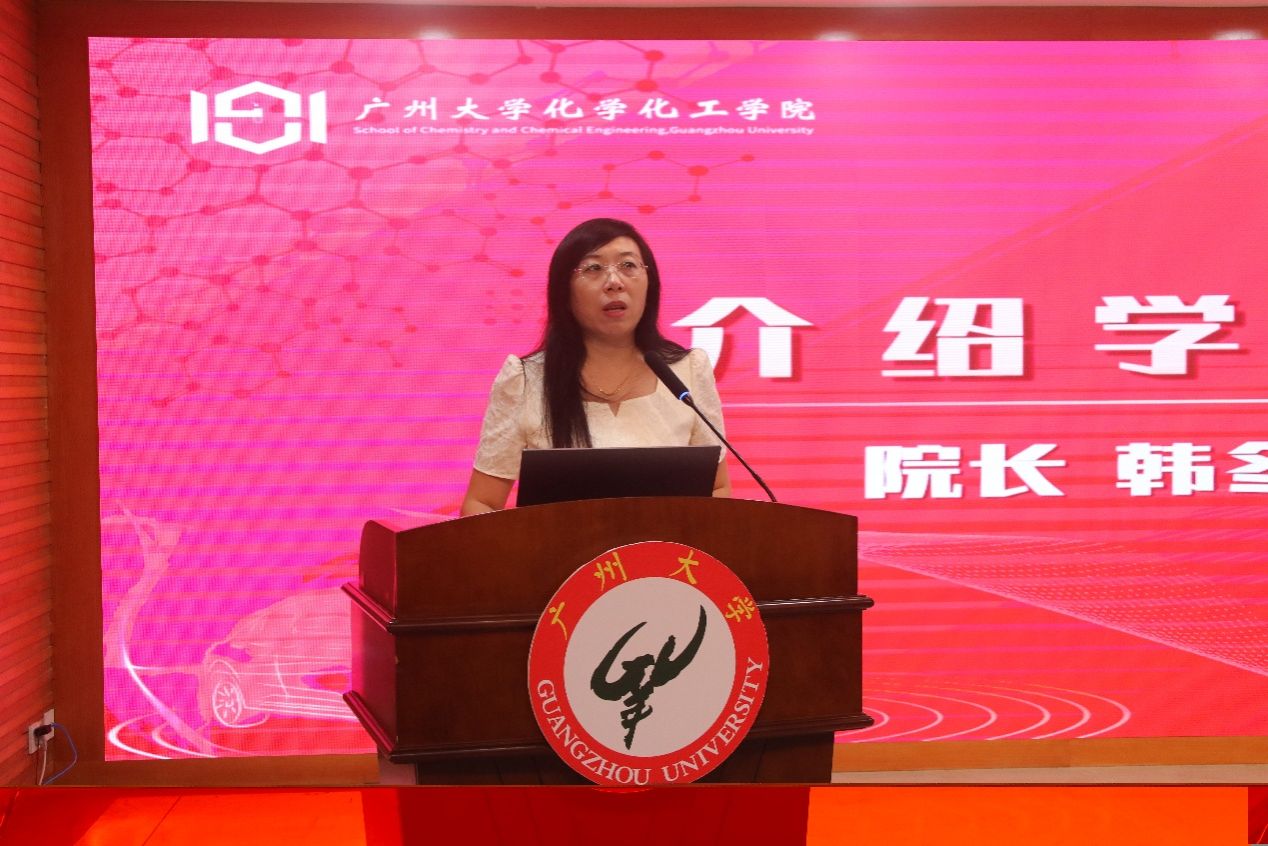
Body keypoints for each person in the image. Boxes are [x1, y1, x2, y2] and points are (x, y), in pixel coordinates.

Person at [460, 218, 731, 516]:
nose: (614, 282)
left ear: (649, 283)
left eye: (628, 265)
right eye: (593, 268)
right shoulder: (526, 381)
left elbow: (717, 489)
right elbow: (481, 503)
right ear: (564, 291)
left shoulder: (686, 371)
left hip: (665, 547)